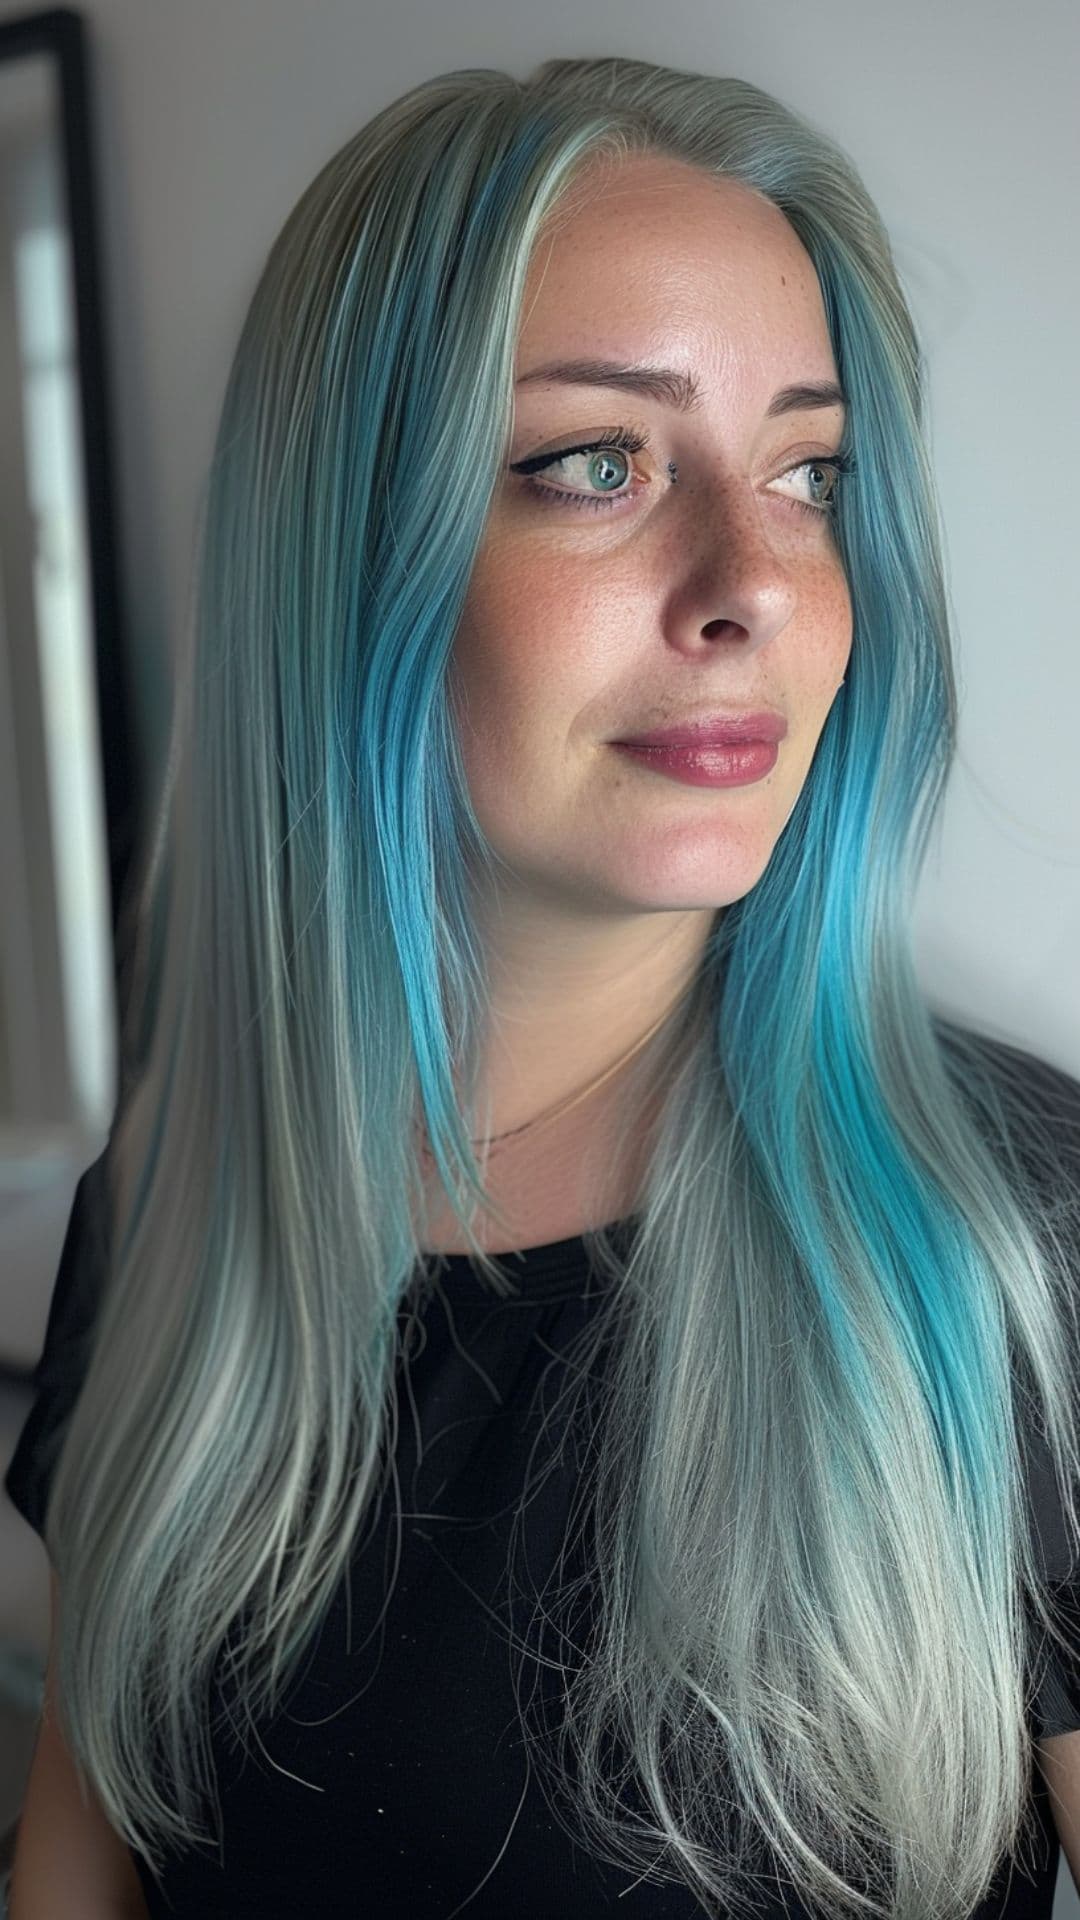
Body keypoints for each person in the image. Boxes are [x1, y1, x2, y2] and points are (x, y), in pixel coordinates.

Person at [7, 52, 1080, 1920]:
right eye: (598, 462)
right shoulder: (173, 1224)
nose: (752, 579)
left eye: (812, 473)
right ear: (355, 556)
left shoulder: (1019, 1244)